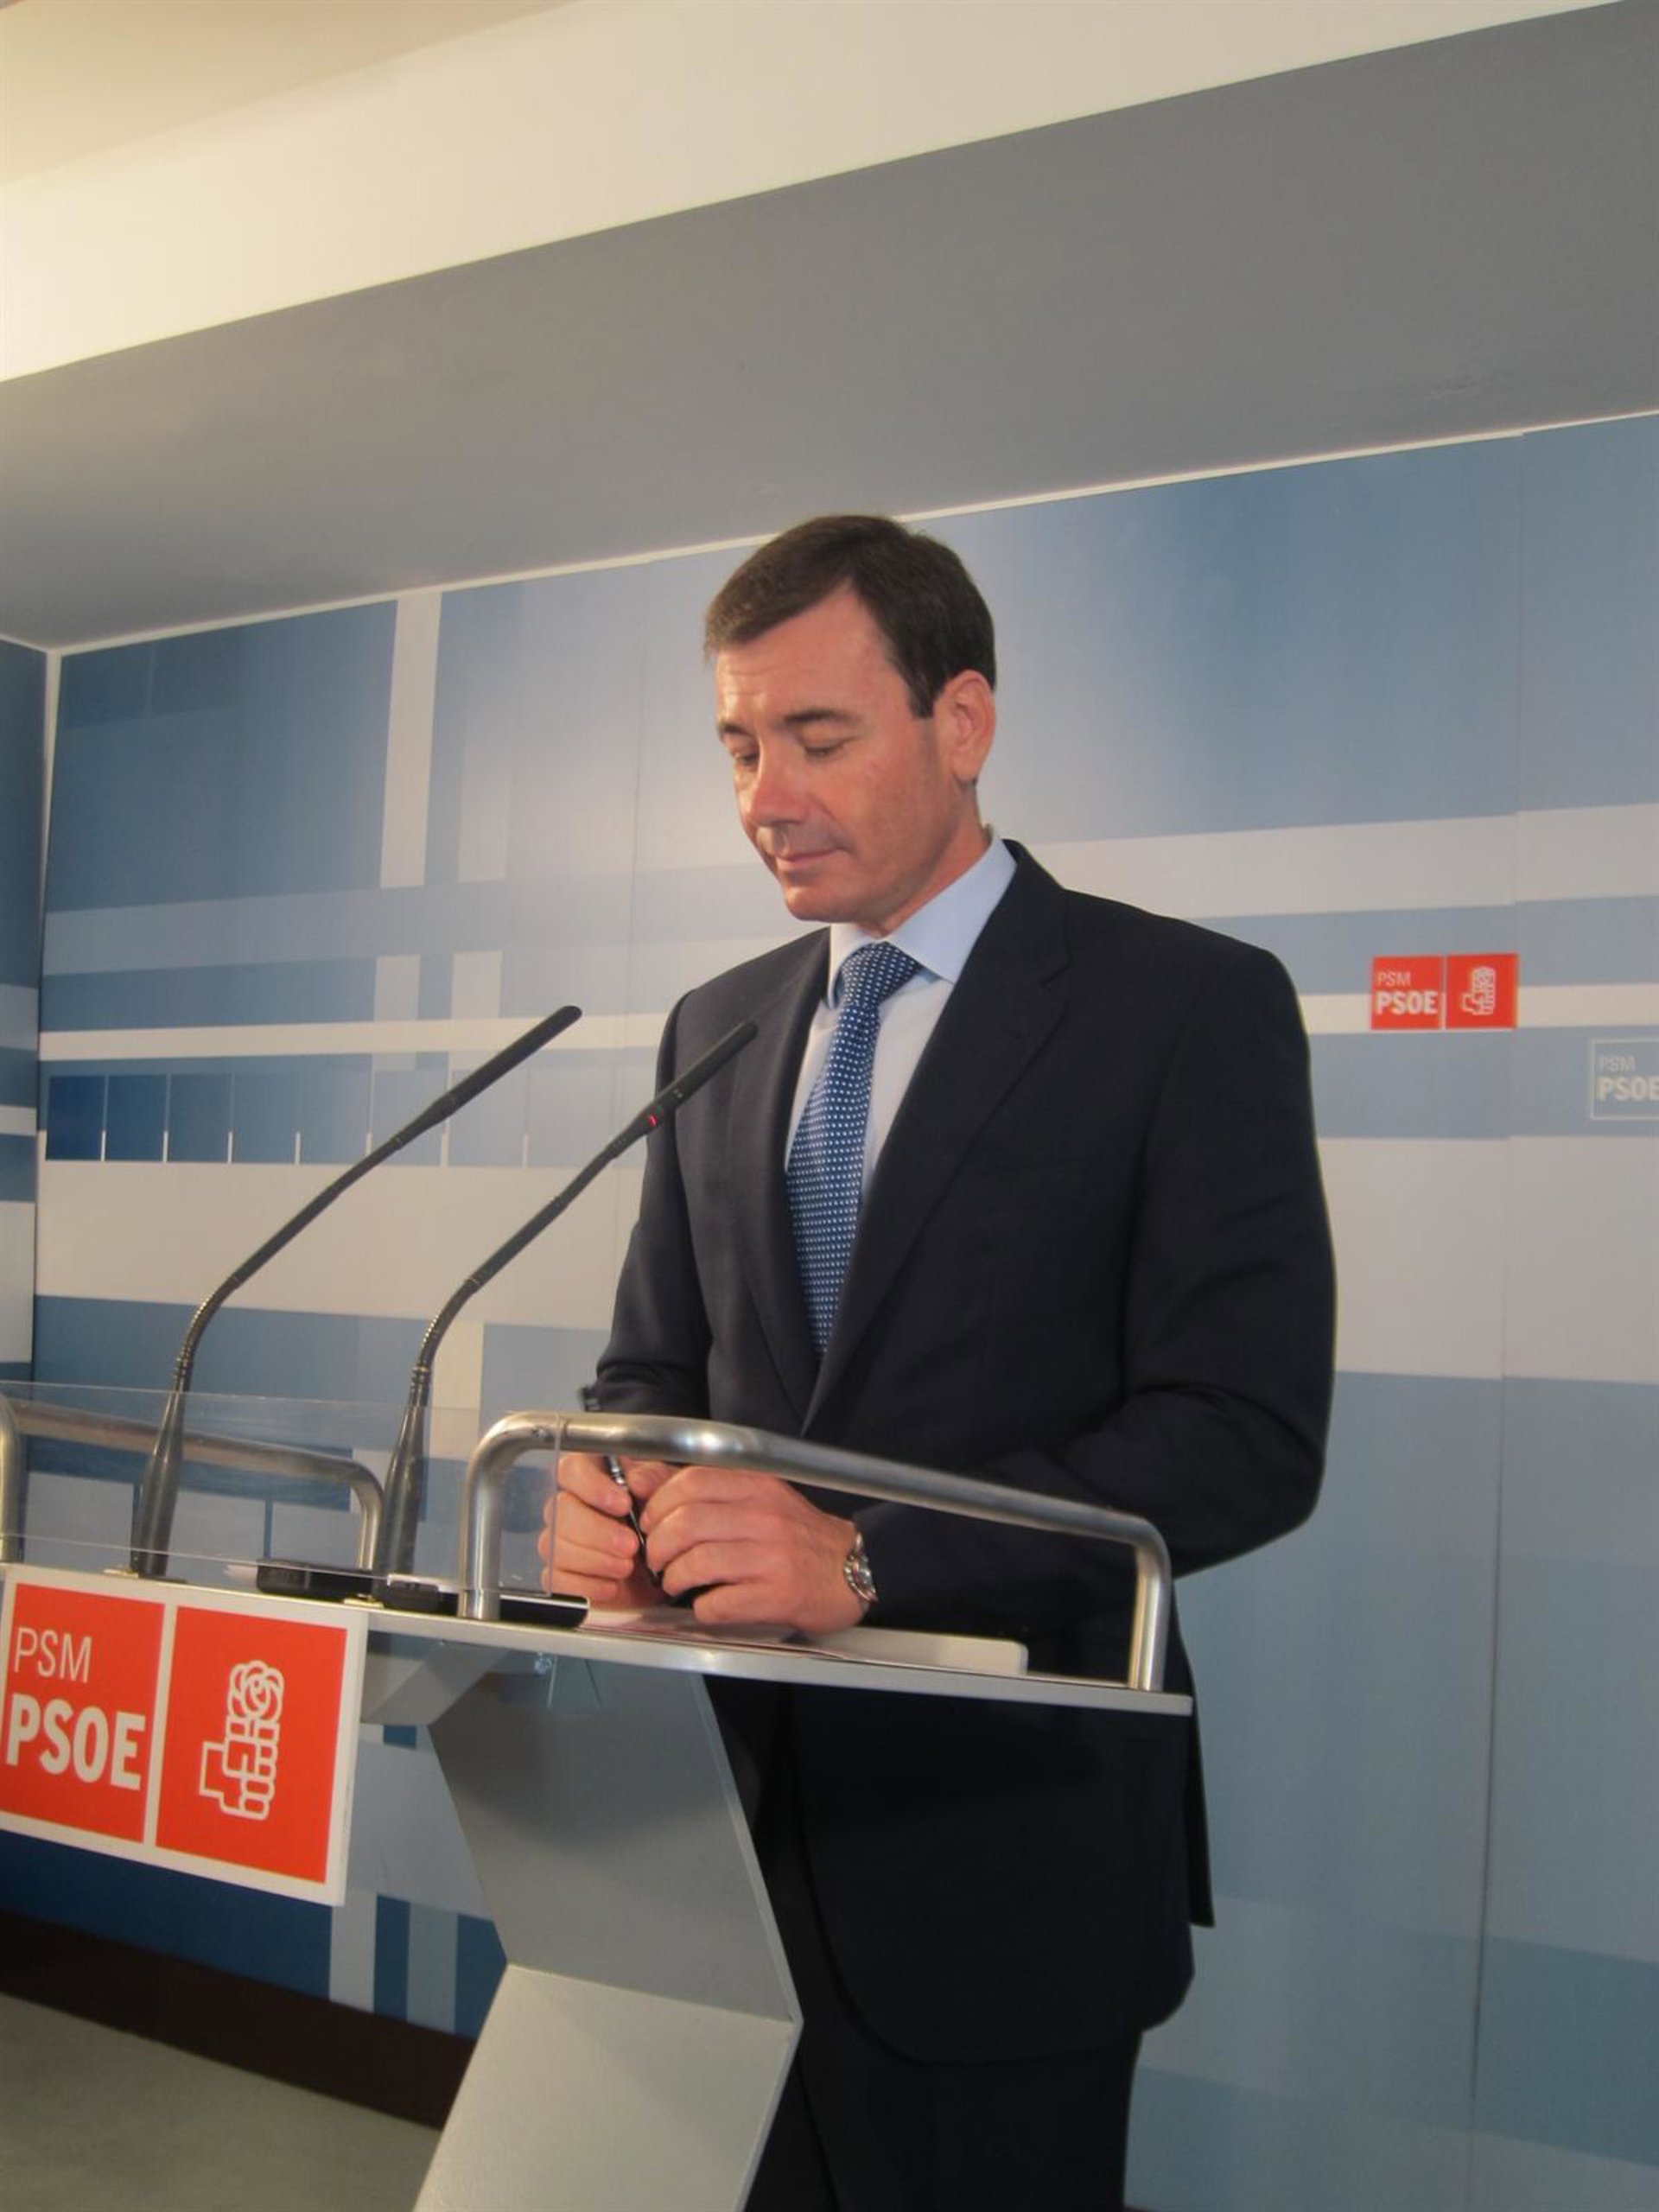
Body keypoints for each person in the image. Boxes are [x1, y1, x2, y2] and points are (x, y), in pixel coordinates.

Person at [540, 514, 1336, 2210]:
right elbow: (651, 1370)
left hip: (1003, 1861)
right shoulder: (716, 1025)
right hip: (712, 1846)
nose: (765, 795)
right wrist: (612, 1489)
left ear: (960, 722)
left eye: (819, 736)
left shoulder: (1184, 1005)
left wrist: (867, 1554)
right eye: (739, 746)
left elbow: (1241, 1436)